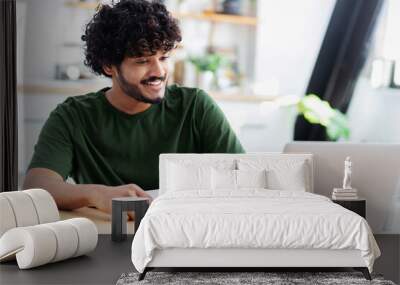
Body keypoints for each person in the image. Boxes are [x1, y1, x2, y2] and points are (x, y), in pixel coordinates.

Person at [23, 0, 244, 216]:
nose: (159, 71)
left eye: (164, 57)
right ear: (109, 66)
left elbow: (243, 176)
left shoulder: (195, 107)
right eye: (142, 61)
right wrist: (96, 195)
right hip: (108, 236)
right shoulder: (73, 116)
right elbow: (37, 186)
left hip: (186, 233)